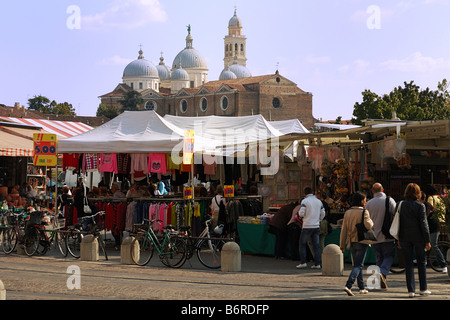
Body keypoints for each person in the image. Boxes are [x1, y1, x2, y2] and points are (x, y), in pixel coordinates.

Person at [398, 183, 431, 298]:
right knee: (421, 263)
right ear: (418, 193)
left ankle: (411, 290)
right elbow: (424, 224)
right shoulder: (420, 206)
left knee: (408, 264)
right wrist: (427, 240)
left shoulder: (400, 205)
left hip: (404, 237)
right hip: (418, 238)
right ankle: (423, 288)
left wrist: (398, 237)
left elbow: (398, 223)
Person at [340, 191, 373, 296]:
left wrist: (342, 245)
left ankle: (361, 287)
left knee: (358, 264)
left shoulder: (348, 212)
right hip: (362, 241)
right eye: (365, 200)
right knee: (358, 265)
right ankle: (348, 285)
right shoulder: (364, 212)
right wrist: (371, 221)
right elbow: (369, 226)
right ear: (362, 201)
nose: (366, 202)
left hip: (352, 241)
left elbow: (343, 230)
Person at [364, 183, 397, 289]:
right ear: (382, 190)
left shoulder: (369, 203)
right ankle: (382, 273)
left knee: (379, 257)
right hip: (387, 234)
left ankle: (381, 279)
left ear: (372, 191)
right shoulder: (389, 200)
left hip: (374, 235)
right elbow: (396, 214)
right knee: (389, 256)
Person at [296, 187, 325, 269]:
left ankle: (303, 262)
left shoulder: (305, 201)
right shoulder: (319, 201)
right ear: (312, 192)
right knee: (316, 245)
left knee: (302, 244)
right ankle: (317, 263)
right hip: (316, 226)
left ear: (304, 193)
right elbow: (323, 213)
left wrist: (300, 215)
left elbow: (301, 213)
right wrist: (319, 220)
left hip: (307, 226)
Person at [422, 186, 448, 274]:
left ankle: (443, 264)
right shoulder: (439, 198)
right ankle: (424, 259)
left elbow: (428, 211)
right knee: (428, 243)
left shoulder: (430, 199)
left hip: (433, 224)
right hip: (441, 220)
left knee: (434, 245)